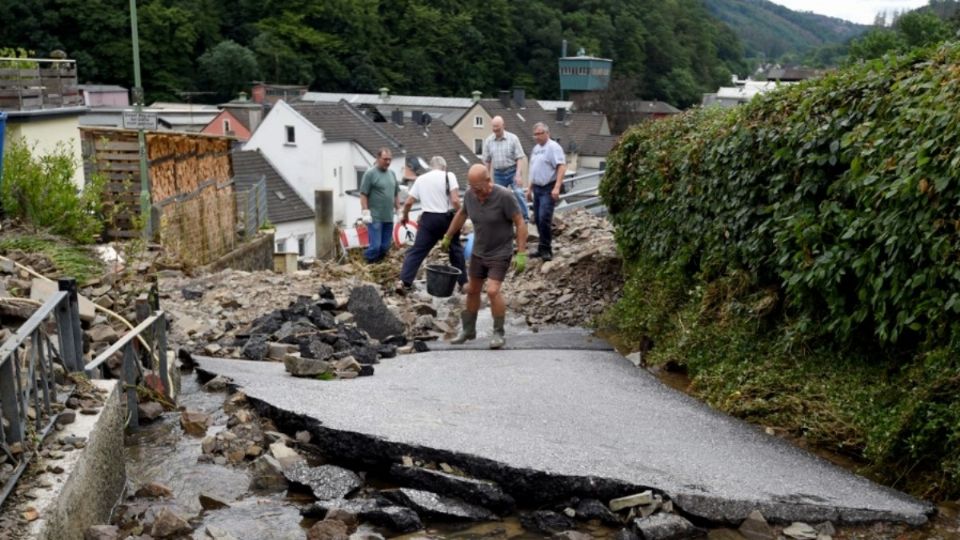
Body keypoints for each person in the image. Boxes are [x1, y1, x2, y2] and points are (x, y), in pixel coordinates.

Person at [440, 164, 528, 349]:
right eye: (472, 188)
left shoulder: (504, 196)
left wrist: (521, 252)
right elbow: (462, 214)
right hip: (479, 251)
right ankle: (469, 330)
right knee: (472, 290)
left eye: (479, 189)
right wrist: (448, 236)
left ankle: (498, 332)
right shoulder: (471, 196)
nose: (476, 193)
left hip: (500, 252)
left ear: (488, 181)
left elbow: (520, 222)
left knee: (492, 291)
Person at [396, 156, 466, 293]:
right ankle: (463, 283)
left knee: (417, 251)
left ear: (430, 167)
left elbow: (409, 202)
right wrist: (460, 216)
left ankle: (404, 281)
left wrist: (405, 216)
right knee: (456, 250)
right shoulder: (449, 175)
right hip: (447, 218)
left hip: (428, 220)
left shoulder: (421, 179)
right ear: (444, 167)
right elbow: (456, 200)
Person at [525, 122, 566, 261]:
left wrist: (557, 187)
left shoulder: (553, 147)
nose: (536, 137)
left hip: (548, 187)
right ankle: (541, 247)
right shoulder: (535, 149)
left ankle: (547, 249)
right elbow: (533, 170)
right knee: (537, 218)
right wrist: (529, 189)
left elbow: (561, 166)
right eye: (535, 134)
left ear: (547, 133)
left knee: (544, 218)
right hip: (537, 187)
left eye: (539, 134)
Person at [482, 116, 529, 222]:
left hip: (512, 171)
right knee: (498, 196)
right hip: (498, 173)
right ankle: (501, 218)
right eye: (493, 127)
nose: (495, 130)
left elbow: (519, 157)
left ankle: (525, 217)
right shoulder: (489, 141)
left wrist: (518, 174)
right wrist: (487, 177)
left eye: (497, 127)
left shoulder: (513, 138)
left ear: (503, 126)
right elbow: (487, 161)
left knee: (518, 192)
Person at [360, 148, 400, 263]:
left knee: (385, 247)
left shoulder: (392, 174)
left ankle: (378, 264)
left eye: (389, 160)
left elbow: (396, 193)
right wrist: (365, 211)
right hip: (375, 217)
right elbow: (363, 194)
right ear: (378, 158)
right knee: (375, 247)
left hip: (388, 216)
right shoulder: (370, 174)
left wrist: (399, 209)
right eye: (385, 159)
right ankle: (365, 263)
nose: (388, 162)